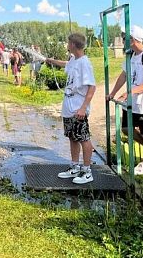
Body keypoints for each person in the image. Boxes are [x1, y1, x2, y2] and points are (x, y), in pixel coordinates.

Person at [106, 25, 143, 175]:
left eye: (126, 38)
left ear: (133, 40)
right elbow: (124, 75)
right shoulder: (130, 56)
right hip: (132, 102)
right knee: (126, 129)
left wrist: (131, 91)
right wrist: (112, 93)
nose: (124, 40)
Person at [46, 33, 97, 184]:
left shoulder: (84, 63)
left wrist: (83, 108)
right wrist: (51, 61)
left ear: (73, 45)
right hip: (68, 106)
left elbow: (92, 88)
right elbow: (65, 64)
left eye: (68, 43)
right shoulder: (74, 59)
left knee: (83, 138)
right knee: (72, 136)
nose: (67, 45)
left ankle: (87, 171)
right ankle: (75, 166)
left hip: (77, 107)